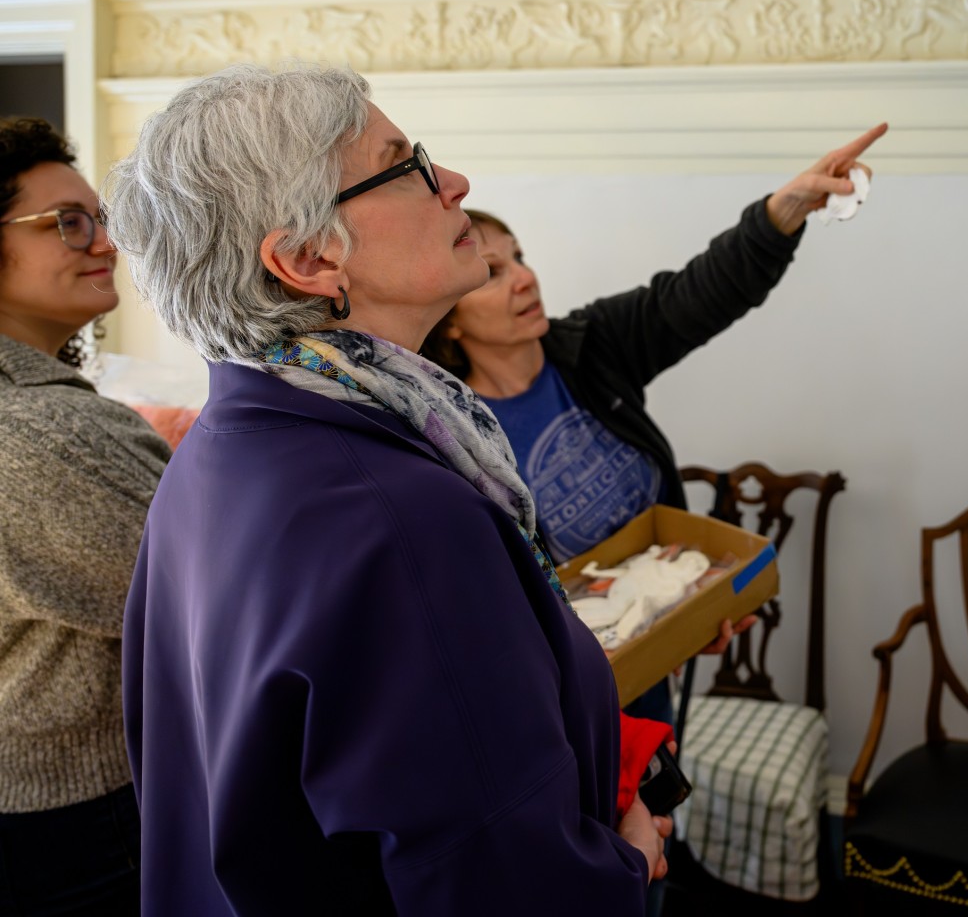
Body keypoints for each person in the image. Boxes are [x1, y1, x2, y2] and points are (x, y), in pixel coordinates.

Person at [105, 63, 664, 915]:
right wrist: (626, 867)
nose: (457, 185)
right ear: (306, 258)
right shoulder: (401, 517)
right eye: (407, 165)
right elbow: (501, 887)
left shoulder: (224, 450)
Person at [419, 123, 886, 726]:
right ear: (450, 320)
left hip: (652, 667)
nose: (525, 278)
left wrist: (786, 208)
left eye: (521, 258)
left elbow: (701, 291)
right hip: (554, 700)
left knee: (660, 814)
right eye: (494, 271)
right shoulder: (447, 433)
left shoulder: (593, 347)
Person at [0, 116, 169, 913]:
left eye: (100, 221)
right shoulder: (34, 432)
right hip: (77, 816)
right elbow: (220, 590)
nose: (104, 244)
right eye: (68, 224)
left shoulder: (39, 408)